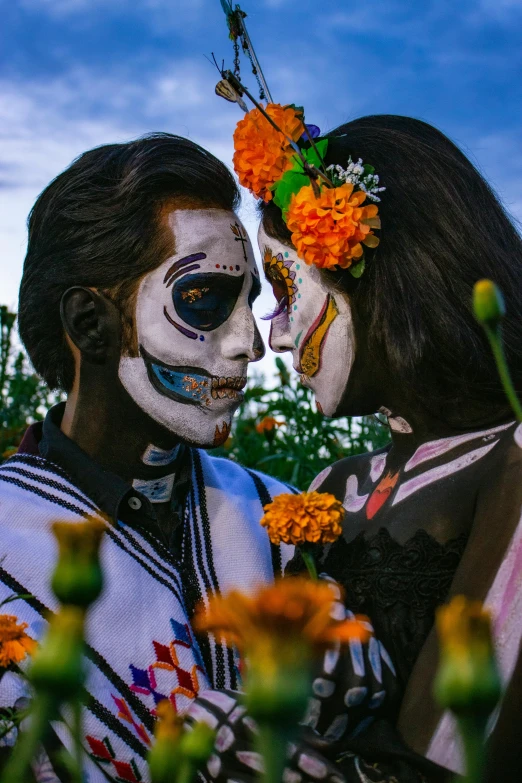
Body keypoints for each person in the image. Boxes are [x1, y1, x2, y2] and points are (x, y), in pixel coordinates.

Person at [0, 133, 296, 782]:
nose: (250, 343)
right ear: (90, 323)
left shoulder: (280, 520)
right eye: (204, 299)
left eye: (248, 300)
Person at [255, 114, 522, 780]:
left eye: (287, 288)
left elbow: (454, 751)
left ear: (373, 272)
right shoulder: (330, 485)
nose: (276, 337)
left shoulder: (512, 460)